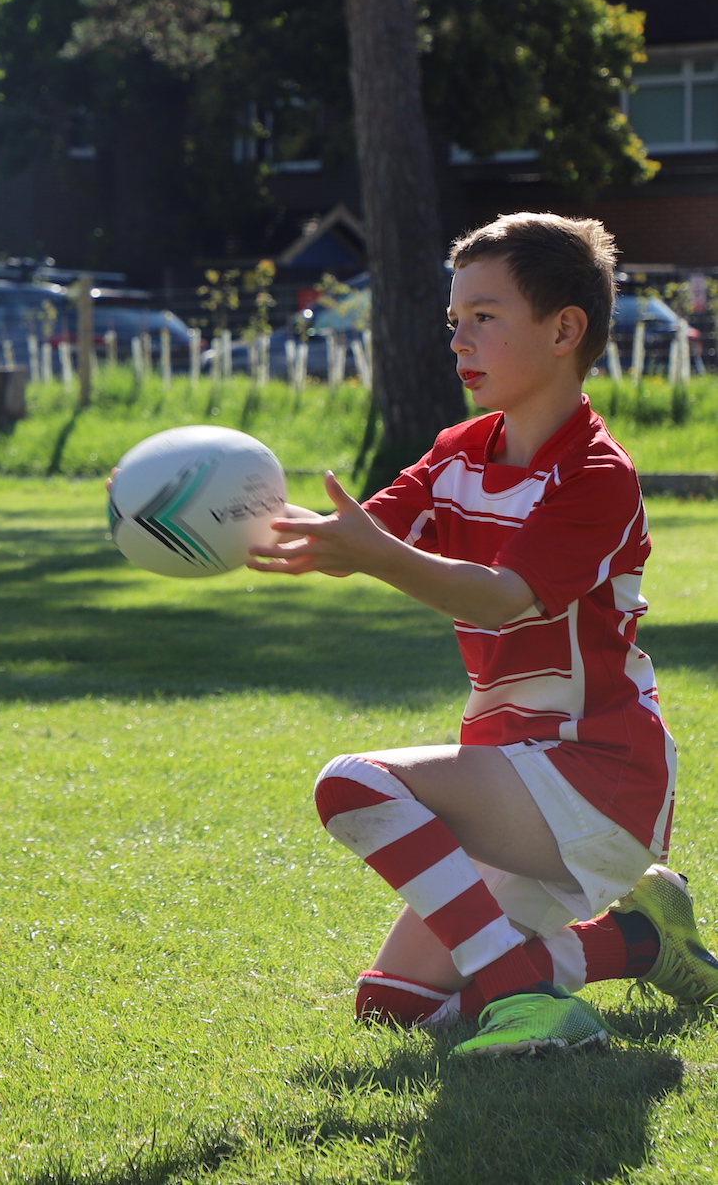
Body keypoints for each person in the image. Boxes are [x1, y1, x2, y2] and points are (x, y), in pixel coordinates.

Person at [250, 213, 718, 1058]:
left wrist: (374, 555)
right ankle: (641, 940)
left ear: (565, 330)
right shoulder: (457, 450)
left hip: (598, 776)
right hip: (513, 782)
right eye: (454, 319)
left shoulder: (597, 474)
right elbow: (358, 535)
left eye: (485, 317)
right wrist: (211, 511)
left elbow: (503, 600)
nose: (459, 340)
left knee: (352, 784)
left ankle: (525, 999)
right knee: (396, 1007)